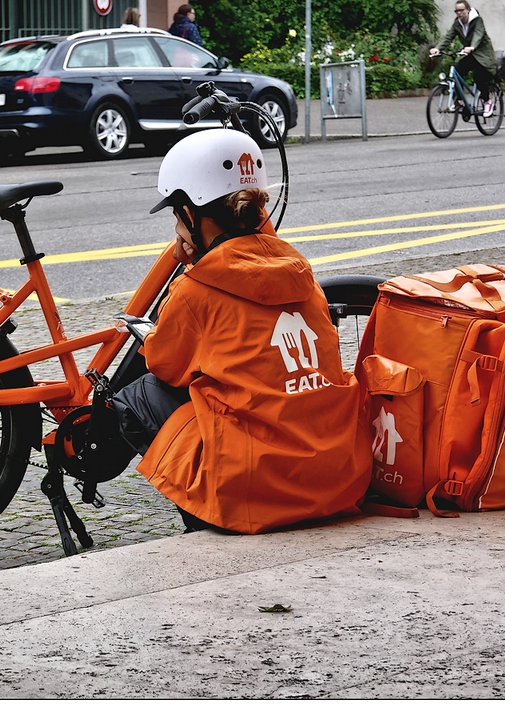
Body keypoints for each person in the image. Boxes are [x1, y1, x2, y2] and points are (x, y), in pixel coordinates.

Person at [117, 128, 372, 534]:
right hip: (338, 479)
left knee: (142, 392)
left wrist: (159, 326)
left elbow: (167, 367)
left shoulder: (195, 289)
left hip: (260, 493)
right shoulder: (301, 273)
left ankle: (205, 515)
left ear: (190, 214)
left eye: (175, 215)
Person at [430, 0, 498, 115]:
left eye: (461, 10)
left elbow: (478, 34)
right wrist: (438, 48)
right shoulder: (457, 23)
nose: (459, 13)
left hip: (484, 55)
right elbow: (449, 37)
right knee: (457, 71)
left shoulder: (477, 21)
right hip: (471, 54)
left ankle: (487, 102)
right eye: (456, 11)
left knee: (478, 76)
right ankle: (459, 102)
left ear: (468, 10)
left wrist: (471, 47)